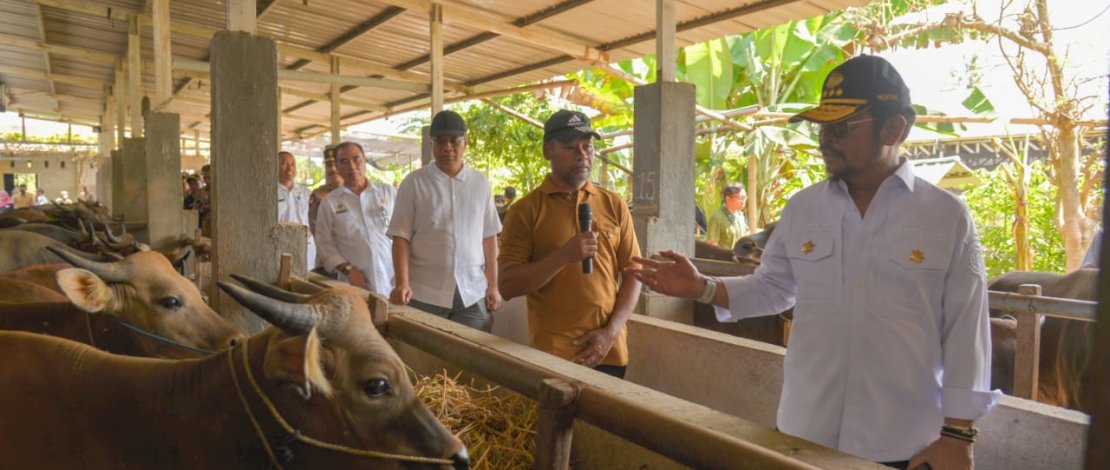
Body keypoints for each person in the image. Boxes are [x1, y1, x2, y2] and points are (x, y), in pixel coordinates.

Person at [626, 55, 999, 469]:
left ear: (894, 128)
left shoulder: (945, 216)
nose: (825, 139)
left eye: (841, 127)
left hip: (902, 444)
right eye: (822, 127)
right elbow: (774, 288)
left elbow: (967, 330)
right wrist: (703, 287)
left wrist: (958, 435)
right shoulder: (803, 208)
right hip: (803, 434)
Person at [498, 110, 642, 378]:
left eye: (588, 147)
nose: (582, 155)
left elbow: (634, 274)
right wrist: (563, 256)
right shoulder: (525, 210)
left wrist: (610, 333)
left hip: (609, 351)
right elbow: (507, 285)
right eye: (570, 147)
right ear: (548, 151)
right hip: (554, 353)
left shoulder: (614, 204)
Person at [386, 111, 503, 331]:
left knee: (473, 350)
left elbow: (489, 237)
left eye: (454, 141)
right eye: (440, 141)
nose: (447, 147)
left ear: (465, 143)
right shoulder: (414, 183)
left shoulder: (480, 184)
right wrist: (402, 283)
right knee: (423, 350)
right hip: (424, 293)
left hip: (472, 292)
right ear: (431, 144)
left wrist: (493, 286)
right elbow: (401, 236)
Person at [315, 142, 397, 296]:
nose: (352, 166)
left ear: (365, 161)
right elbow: (324, 242)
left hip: (393, 282)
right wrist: (348, 270)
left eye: (356, 159)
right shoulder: (330, 202)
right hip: (354, 285)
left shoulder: (388, 193)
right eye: (344, 161)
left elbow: (405, 233)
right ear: (337, 167)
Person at [278, 151, 316, 267]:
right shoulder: (270, 192)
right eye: (284, 163)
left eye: (293, 164)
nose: (290, 168)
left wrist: (311, 231)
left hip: (306, 248)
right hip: (281, 247)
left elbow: (317, 219)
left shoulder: (306, 192)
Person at [309, 147, 344, 246]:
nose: (333, 169)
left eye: (335, 164)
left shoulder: (355, 192)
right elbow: (314, 224)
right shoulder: (318, 194)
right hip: (327, 247)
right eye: (329, 165)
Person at [706, 183, 748, 248]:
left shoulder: (741, 216)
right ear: (728, 198)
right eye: (740, 198)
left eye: (745, 197)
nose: (743, 201)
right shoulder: (717, 218)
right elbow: (712, 245)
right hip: (724, 254)